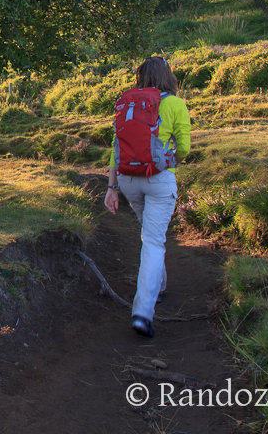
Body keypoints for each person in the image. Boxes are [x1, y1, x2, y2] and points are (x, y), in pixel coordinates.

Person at [104, 56, 191, 338]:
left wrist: (111, 188)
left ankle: (159, 286)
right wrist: (169, 158)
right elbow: (185, 149)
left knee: (149, 235)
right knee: (154, 241)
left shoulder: (127, 103)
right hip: (158, 179)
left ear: (140, 76)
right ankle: (143, 312)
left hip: (128, 180)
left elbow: (117, 146)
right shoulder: (175, 104)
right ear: (168, 76)